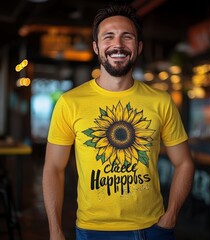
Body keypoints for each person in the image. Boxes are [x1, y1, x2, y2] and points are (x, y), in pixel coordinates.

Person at [42, 3, 195, 240]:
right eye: (108, 36)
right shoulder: (70, 102)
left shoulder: (161, 102)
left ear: (139, 46)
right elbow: (53, 168)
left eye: (127, 37)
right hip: (92, 230)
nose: (118, 44)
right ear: (96, 46)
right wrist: (55, 230)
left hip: (152, 229)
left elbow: (184, 162)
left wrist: (170, 217)